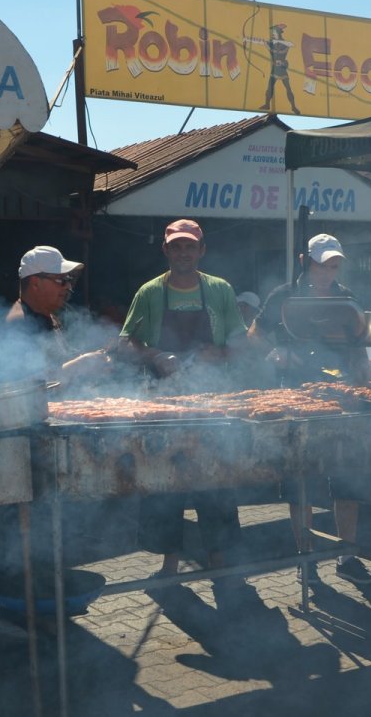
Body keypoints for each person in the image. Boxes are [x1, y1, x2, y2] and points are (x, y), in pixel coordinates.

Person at [249, 233, 371, 586]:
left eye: (333, 265)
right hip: (296, 397)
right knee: (300, 480)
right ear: (305, 261)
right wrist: (274, 353)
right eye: (322, 265)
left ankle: (348, 555)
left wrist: (363, 367)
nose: (327, 272)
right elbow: (254, 335)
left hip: (341, 397)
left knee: (347, 477)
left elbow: (357, 343)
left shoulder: (346, 298)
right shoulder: (284, 296)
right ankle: (306, 558)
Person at [120, 219, 247, 578]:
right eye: (176, 246)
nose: (183, 253)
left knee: (215, 480)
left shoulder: (220, 290)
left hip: (213, 403)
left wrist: (218, 355)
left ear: (202, 251)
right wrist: (156, 355)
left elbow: (240, 343)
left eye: (190, 246)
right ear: (166, 251)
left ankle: (220, 562)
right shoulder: (149, 293)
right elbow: (125, 341)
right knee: (165, 482)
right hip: (164, 403)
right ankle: (169, 563)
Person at [0, 246, 110, 384]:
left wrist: (91, 362)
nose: (68, 286)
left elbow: (57, 364)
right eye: (61, 280)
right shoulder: (18, 325)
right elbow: (22, 388)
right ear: (35, 284)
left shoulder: (47, 314)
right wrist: (79, 366)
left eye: (69, 279)